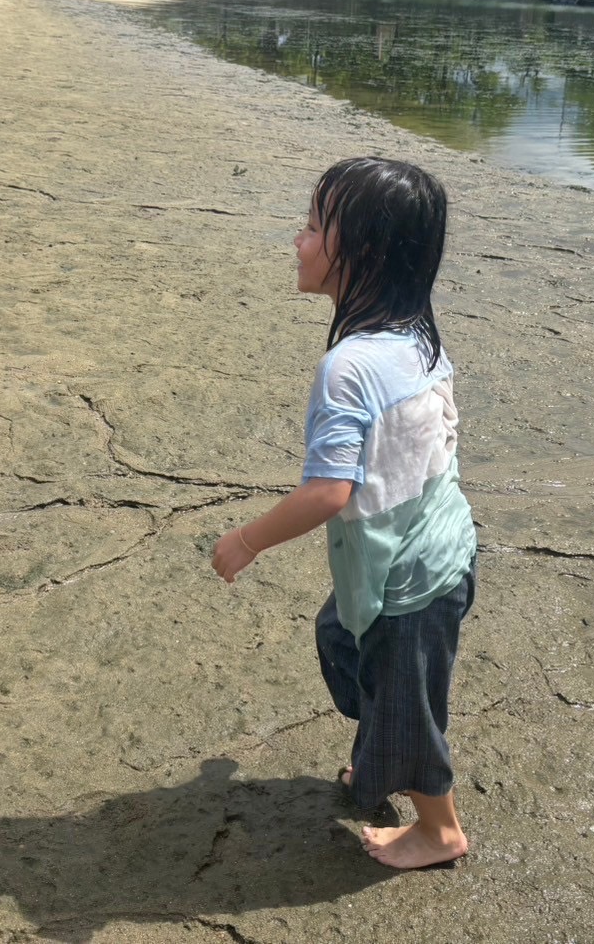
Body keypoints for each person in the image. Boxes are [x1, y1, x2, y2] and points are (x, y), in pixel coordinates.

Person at [211, 156, 478, 870]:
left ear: (363, 252)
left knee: (405, 702)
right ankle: (382, 751)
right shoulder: (417, 336)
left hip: (409, 580)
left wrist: (246, 540)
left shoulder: (350, 368)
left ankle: (439, 830)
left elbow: (327, 492)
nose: (295, 241)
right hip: (433, 549)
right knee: (341, 639)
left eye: (309, 227)